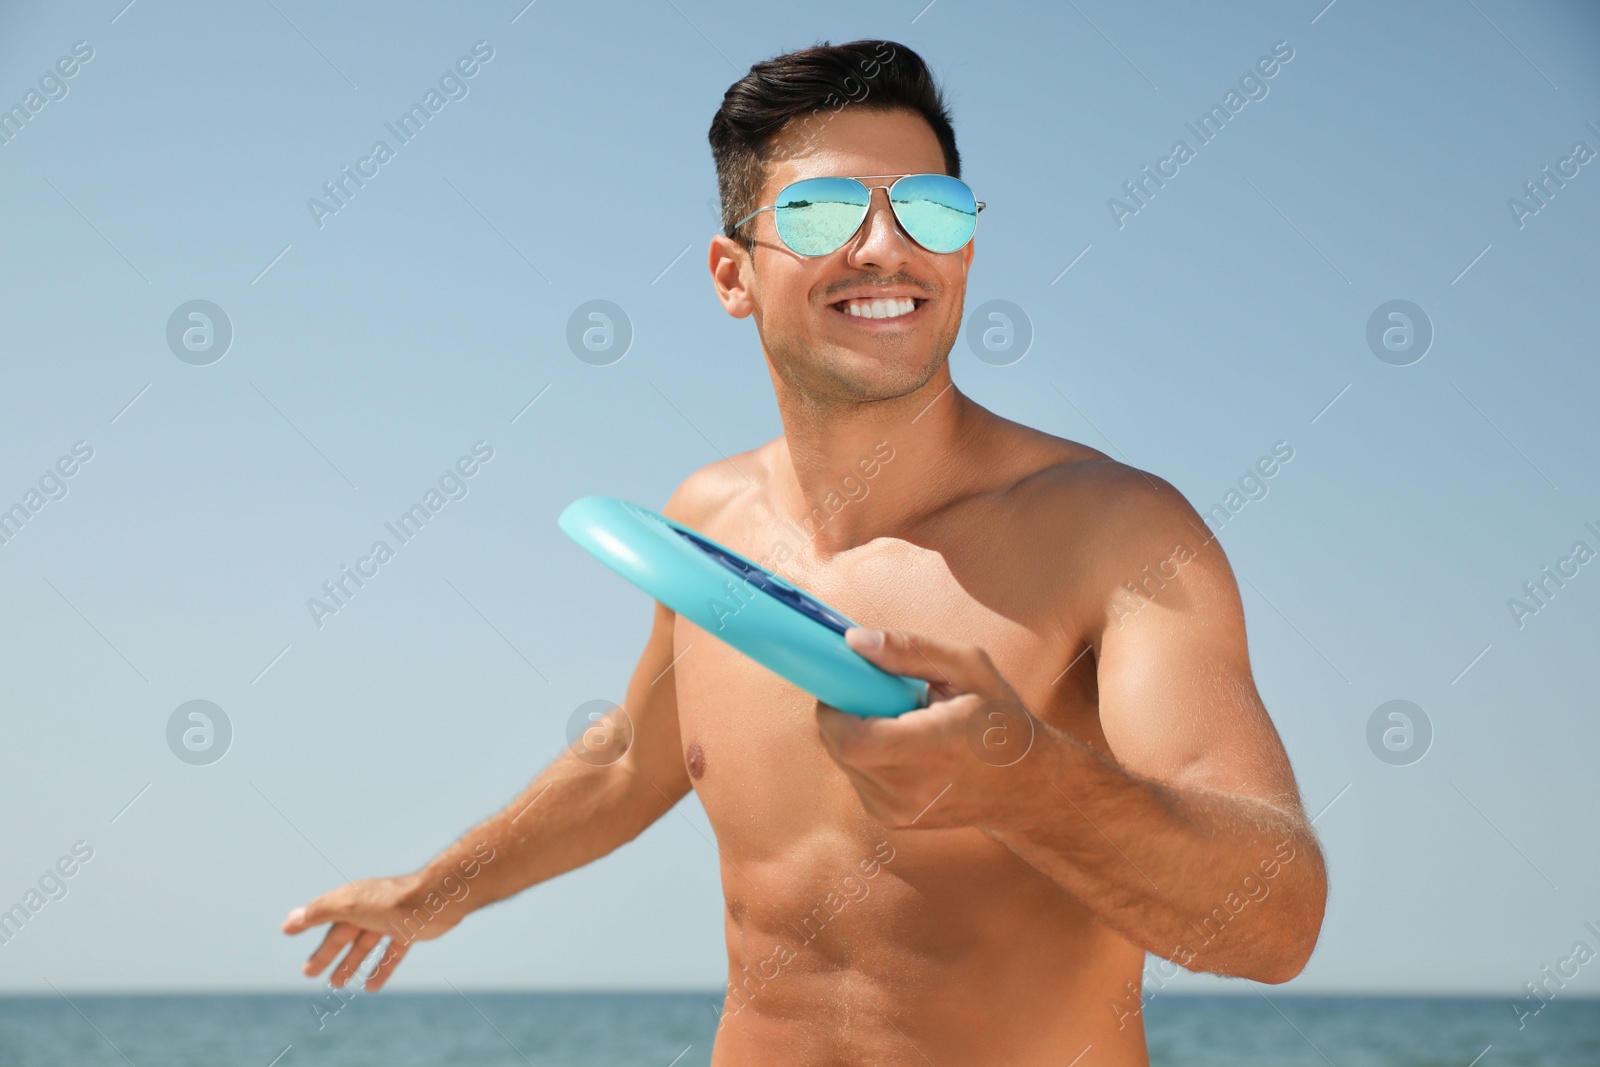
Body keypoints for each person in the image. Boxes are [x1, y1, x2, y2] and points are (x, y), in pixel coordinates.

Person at [282, 38, 1328, 1065]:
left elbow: (1273, 920)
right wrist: (430, 892)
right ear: (732, 274)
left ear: (964, 249)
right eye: (824, 213)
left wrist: (1024, 782)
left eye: (929, 208)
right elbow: (633, 763)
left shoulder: (1115, 532)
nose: (885, 247)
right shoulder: (712, 524)